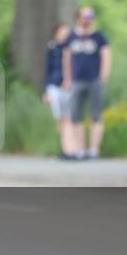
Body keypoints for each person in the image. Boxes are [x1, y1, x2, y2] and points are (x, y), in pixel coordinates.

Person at [62, 6, 112, 160]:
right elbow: (66, 58)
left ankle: (94, 150)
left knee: (96, 115)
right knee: (76, 116)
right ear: (78, 18)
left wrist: (103, 75)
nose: (87, 20)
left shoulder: (99, 36)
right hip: (77, 80)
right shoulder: (71, 37)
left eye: (90, 17)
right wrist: (67, 78)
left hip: (94, 80)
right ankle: (80, 149)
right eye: (85, 17)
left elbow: (106, 55)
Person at [44, 23, 80, 159]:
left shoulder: (72, 48)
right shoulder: (52, 48)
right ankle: (66, 148)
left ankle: (74, 149)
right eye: (62, 32)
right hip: (54, 85)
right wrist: (46, 90)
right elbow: (48, 69)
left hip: (69, 87)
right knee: (60, 119)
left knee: (70, 118)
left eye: (67, 32)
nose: (65, 35)